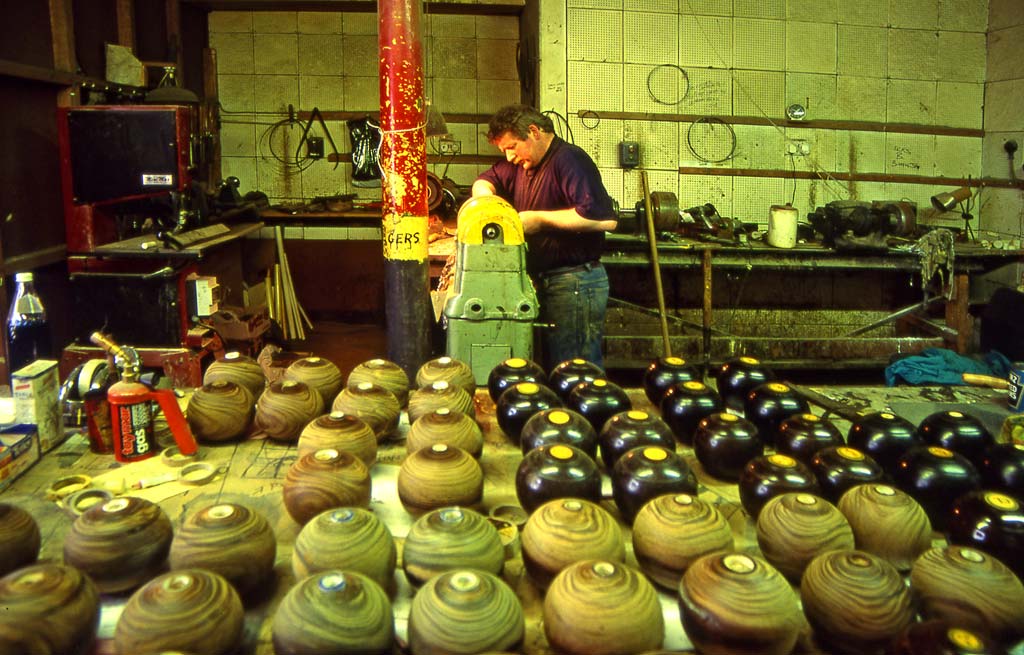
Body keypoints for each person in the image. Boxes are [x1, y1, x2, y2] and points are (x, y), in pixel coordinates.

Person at [472, 104, 617, 372]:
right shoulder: (521, 164)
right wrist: (488, 204)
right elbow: (485, 181)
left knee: (575, 369)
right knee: (555, 367)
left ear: (534, 132)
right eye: (504, 150)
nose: (509, 156)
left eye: (513, 146)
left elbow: (603, 219)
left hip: (574, 283)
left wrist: (540, 220)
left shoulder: (569, 160)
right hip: (547, 281)